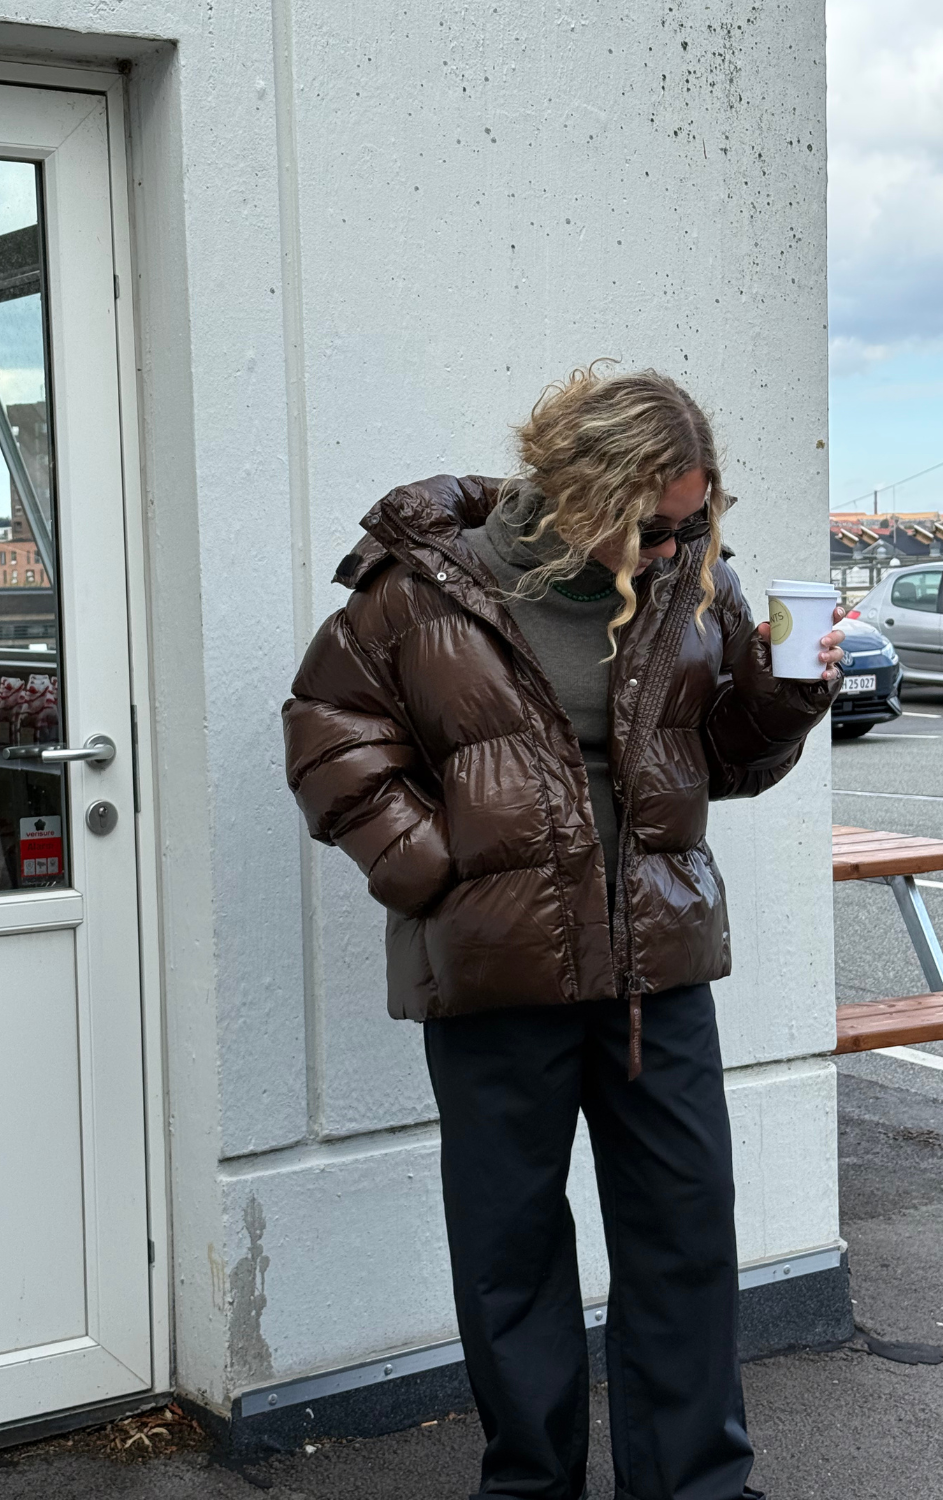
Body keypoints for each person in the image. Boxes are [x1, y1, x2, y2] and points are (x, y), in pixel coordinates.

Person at [283, 365, 844, 1500]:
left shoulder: (695, 581)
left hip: (656, 962)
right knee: (512, 1249)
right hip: (500, 965)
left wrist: (786, 697)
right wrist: (435, 868)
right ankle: (531, 1484)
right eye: (652, 524)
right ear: (583, 488)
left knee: (684, 1231)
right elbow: (327, 727)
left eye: (691, 522)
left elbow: (721, 758)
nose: (672, 545)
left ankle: (694, 1486)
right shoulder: (422, 584)